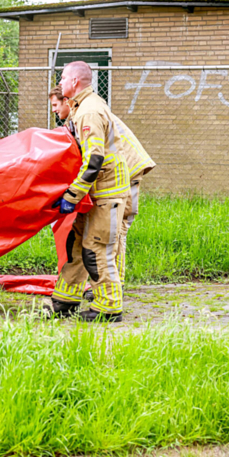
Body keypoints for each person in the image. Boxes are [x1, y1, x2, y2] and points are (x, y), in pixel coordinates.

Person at [46, 62, 130, 323]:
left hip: (107, 193)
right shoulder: (81, 107)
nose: (60, 83)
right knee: (76, 244)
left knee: (96, 249)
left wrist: (71, 195)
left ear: (75, 81)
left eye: (63, 78)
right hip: (94, 193)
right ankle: (66, 298)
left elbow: (94, 159)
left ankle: (108, 307)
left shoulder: (89, 111)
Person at [49, 86, 154, 277]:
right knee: (105, 235)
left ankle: (116, 283)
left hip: (127, 172)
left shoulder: (86, 114)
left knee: (116, 231)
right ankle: (108, 281)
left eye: (55, 105)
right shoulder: (80, 114)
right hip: (121, 172)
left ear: (66, 101)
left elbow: (93, 158)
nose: (53, 110)